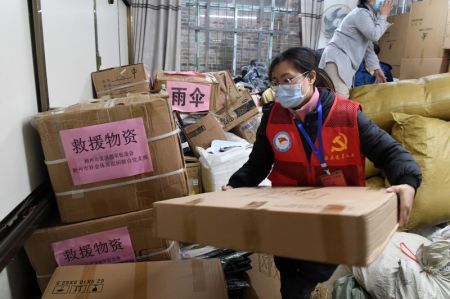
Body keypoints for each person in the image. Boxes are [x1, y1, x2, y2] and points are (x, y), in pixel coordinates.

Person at [223, 47, 422, 299]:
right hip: (287, 212)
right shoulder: (273, 116)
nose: (281, 88)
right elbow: (257, 164)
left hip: (333, 215)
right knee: (287, 270)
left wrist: (407, 181)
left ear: (311, 77)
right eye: (275, 82)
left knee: (306, 278)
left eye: (288, 80)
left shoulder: (347, 114)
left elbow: (390, 152)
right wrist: (234, 186)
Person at [319, 0, 393, 98]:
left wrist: (376, 68)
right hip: (336, 59)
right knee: (340, 98)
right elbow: (374, 35)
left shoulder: (368, 16)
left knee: (340, 97)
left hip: (341, 59)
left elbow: (368, 48)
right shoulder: (361, 13)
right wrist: (383, 15)